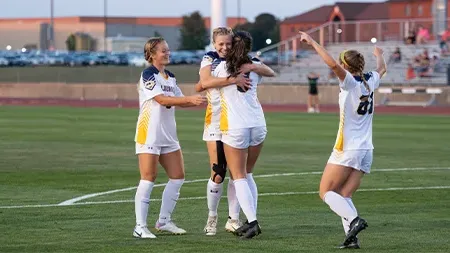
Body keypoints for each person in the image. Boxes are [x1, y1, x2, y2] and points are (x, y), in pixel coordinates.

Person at [299, 31, 387, 249]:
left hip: (348, 148)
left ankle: (356, 221)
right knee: (344, 194)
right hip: (367, 149)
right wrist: (379, 54)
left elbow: (333, 66)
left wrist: (312, 42)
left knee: (325, 192)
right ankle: (352, 238)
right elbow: (382, 69)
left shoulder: (349, 82)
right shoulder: (370, 80)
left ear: (346, 66)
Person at [195, 27, 274, 236]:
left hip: (233, 124)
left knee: (238, 174)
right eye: (220, 44)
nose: (224, 47)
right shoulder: (213, 60)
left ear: (234, 44)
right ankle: (213, 217)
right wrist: (239, 76)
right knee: (223, 173)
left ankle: (237, 219)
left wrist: (244, 70)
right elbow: (202, 84)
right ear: (214, 44)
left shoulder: (227, 66)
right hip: (227, 123)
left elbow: (204, 83)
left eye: (229, 43)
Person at [133, 37, 206, 239]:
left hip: (168, 134)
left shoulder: (170, 77)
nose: (168, 53)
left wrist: (206, 98)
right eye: (163, 51)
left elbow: (180, 101)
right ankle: (140, 226)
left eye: (168, 50)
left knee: (178, 176)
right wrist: (189, 99)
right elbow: (162, 99)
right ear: (152, 54)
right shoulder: (148, 74)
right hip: (149, 133)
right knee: (148, 178)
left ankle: (163, 221)